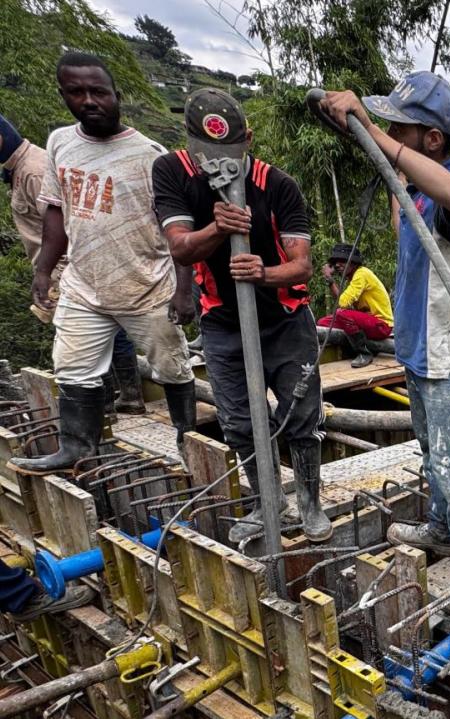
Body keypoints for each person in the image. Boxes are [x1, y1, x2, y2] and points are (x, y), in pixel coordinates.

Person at [320, 72, 450, 603]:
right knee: (431, 453)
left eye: (403, 127)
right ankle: (444, 530)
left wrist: (377, 135)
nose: (393, 132)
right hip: (417, 352)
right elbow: (406, 191)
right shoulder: (416, 190)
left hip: (447, 357)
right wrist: (370, 138)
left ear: (433, 140)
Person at [152, 87, 332, 543]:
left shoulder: (277, 184)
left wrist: (264, 272)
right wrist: (219, 227)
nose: (218, 162)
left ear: (248, 138)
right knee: (238, 421)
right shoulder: (172, 171)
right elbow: (179, 245)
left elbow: (302, 264)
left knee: (300, 416)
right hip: (222, 322)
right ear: (189, 141)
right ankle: (268, 502)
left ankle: (310, 504)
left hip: (286, 319)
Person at [9, 52, 196, 474]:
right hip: (84, 281)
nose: (89, 100)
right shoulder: (59, 143)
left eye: (98, 92)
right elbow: (56, 212)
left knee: (170, 365)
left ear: (117, 95)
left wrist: (185, 290)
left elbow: (179, 227)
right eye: (77, 92)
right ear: (64, 96)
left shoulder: (150, 155)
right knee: (72, 365)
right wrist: (44, 268)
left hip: (146, 282)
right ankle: (77, 447)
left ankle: (188, 440)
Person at [0, 112, 147, 415]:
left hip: (69, 265)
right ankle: (123, 396)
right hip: (62, 265)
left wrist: (56, 271)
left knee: (91, 331)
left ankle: (110, 400)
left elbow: (65, 222)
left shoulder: (33, 170)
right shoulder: (23, 168)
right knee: (104, 327)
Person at [318, 243, 393, 367]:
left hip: (381, 325)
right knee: (323, 323)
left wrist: (330, 279)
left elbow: (342, 303)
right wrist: (331, 281)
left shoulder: (361, 274)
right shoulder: (352, 277)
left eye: (342, 261)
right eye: (336, 262)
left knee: (341, 314)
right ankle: (356, 347)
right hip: (369, 323)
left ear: (352, 262)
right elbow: (343, 304)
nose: (337, 265)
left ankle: (364, 352)